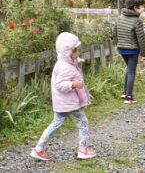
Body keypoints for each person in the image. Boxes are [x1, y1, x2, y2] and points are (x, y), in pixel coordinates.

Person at [30, 32, 96, 161]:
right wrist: (73, 84)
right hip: (69, 103)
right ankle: (82, 150)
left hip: (63, 103)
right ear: (67, 52)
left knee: (55, 124)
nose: (78, 53)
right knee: (83, 122)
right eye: (75, 51)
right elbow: (60, 85)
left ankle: (38, 149)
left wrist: (85, 95)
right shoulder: (65, 67)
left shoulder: (67, 63)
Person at [113, 0, 145, 104]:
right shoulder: (137, 21)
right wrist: (143, 54)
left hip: (121, 49)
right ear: (136, 7)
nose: (143, 8)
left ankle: (125, 91)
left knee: (129, 69)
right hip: (132, 50)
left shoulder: (120, 17)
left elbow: (114, 33)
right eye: (142, 6)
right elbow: (141, 38)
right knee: (132, 72)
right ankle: (129, 97)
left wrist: (117, 44)